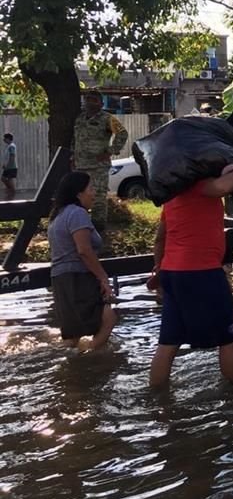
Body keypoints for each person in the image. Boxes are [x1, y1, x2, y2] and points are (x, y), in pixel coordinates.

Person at [149, 145, 233, 388]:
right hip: (200, 271)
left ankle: (156, 397)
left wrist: (158, 271)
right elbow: (223, 186)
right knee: (229, 339)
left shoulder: (173, 196)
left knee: (168, 342)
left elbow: (160, 238)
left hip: (172, 273)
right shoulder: (200, 186)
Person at [47, 171, 117, 350]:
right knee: (108, 317)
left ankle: (72, 365)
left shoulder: (58, 215)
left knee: (73, 333)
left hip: (61, 278)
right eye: (90, 188)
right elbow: (84, 250)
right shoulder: (77, 213)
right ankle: (88, 358)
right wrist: (103, 277)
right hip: (78, 277)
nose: (94, 193)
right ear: (79, 193)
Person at [72, 91, 129, 230]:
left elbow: (122, 133)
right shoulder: (79, 119)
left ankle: (98, 230)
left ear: (101, 103)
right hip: (80, 165)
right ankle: (82, 228)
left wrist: (110, 151)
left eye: (93, 100)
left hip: (98, 167)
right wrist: (72, 157)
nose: (89, 102)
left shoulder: (107, 118)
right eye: (87, 99)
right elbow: (75, 140)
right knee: (79, 198)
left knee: (98, 199)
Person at [2, 133, 16, 200]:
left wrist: (8, 165)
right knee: (3, 178)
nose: (3, 139)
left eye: (4, 138)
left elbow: (12, 156)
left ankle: (12, 193)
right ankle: (10, 191)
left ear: (8, 139)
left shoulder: (11, 146)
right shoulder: (9, 146)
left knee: (9, 180)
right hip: (9, 166)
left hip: (11, 167)